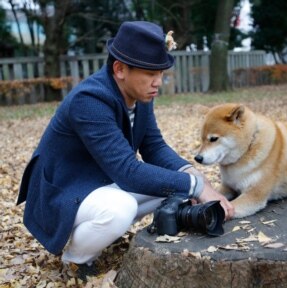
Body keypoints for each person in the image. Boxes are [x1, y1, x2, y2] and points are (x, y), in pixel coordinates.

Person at [17, 21, 234, 279]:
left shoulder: (138, 94)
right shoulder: (89, 101)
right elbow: (127, 171)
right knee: (121, 209)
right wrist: (196, 186)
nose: (158, 82)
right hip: (62, 191)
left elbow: (154, 147)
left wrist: (196, 178)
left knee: (174, 188)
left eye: (161, 73)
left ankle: (100, 232)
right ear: (120, 69)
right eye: (151, 73)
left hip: (99, 181)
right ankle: (76, 259)